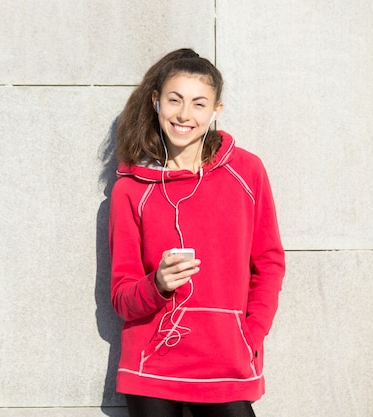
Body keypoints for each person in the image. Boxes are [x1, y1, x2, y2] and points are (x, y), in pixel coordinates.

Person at [108, 48, 285, 417]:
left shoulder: (247, 171)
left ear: (216, 111)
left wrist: (250, 334)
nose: (185, 114)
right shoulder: (130, 190)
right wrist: (156, 284)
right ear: (156, 102)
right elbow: (122, 296)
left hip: (226, 360)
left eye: (199, 104)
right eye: (175, 100)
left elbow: (269, 263)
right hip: (152, 366)